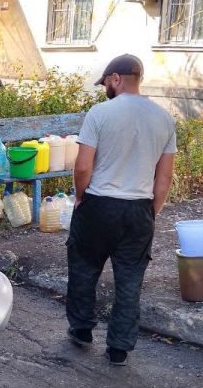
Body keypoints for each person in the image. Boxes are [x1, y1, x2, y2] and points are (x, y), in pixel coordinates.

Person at [66, 54, 176, 366]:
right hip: (139, 208)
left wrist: (80, 197)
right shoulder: (164, 118)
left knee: (84, 267)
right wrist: (151, 210)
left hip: (99, 205)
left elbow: (82, 167)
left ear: (116, 79)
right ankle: (119, 348)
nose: (105, 89)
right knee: (130, 279)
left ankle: (82, 330)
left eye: (106, 83)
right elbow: (164, 177)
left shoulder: (100, 113)